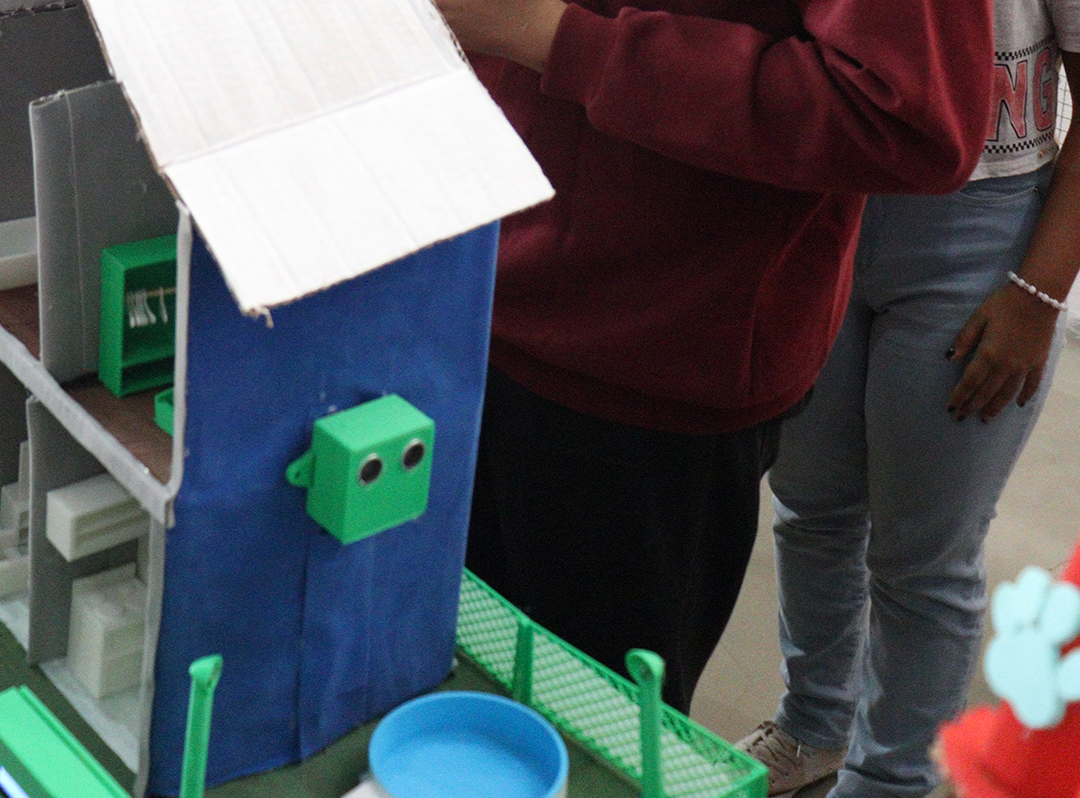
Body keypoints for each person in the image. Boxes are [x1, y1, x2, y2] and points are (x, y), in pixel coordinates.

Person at [432, 0, 994, 712]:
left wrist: (564, 41)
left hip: (641, 384)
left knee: (587, 726)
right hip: (458, 295)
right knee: (431, 682)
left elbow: (903, 120)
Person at [735, 2, 1080, 794]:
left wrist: (1038, 294)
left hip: (979, 229)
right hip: (825, 195)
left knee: (924, 552)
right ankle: (813, 725)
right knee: (810, 505)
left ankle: (892, 779)